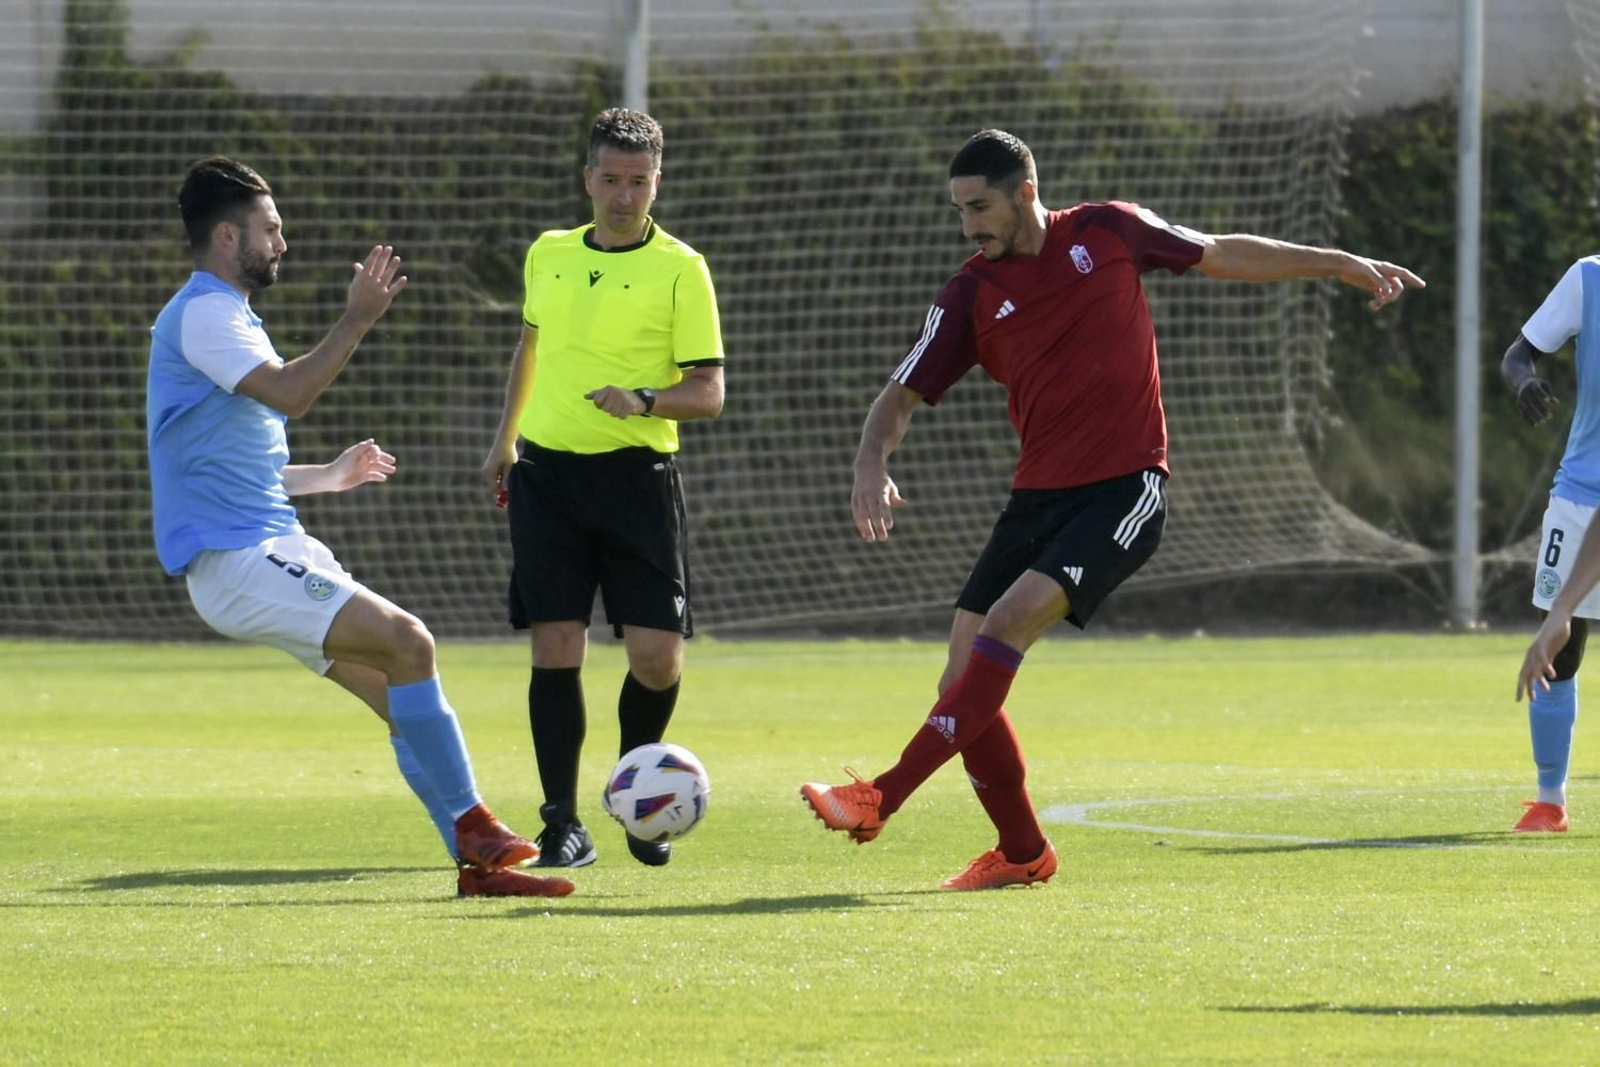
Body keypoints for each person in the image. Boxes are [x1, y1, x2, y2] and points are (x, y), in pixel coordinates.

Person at [801, 129, 1425, 890]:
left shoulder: (1108, 229)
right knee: (959, 683)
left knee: (1002, 630)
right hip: (1036, 498)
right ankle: (1024, 852)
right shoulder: (970, 293)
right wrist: (871, 461)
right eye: (960, 210)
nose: (969, 225)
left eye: (981, 206)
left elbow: (1221, 250)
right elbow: (899, 394)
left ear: (1027, 190)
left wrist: (1336, 262)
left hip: (1126, 489)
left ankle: (880, 796)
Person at [147, 156, 573, 899]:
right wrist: (357, 317)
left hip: (260, 546)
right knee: (411, 642)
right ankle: (476, 824)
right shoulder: (204, 313)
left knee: (392, 689)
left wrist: (326, 477)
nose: (282, 242)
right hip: (239, 560)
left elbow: (219, 469)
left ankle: (476, 865)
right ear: (226, 234)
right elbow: (291, 393)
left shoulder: (224, 316)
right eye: (269, 228)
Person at [481, 108, 725, 868]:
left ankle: (636, 795)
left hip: (636, 481)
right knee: (556, 647)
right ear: (588, 178)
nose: (625, 195)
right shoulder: (547, 253)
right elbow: (532, 347)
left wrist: (644, 400)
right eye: (612, 179)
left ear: (659, 182)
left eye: (640, 181)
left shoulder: (682, 267)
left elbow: (709, 391)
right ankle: (560, 823)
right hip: (546, 475)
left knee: (657, 658)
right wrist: (505, 437)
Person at [1504, 254, 1600, 833]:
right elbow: (1519, 354)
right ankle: (1550, 800)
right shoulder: (1588, 277)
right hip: (1581, 490)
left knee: (1559, 624)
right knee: (1560, 645)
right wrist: (1526, 383)